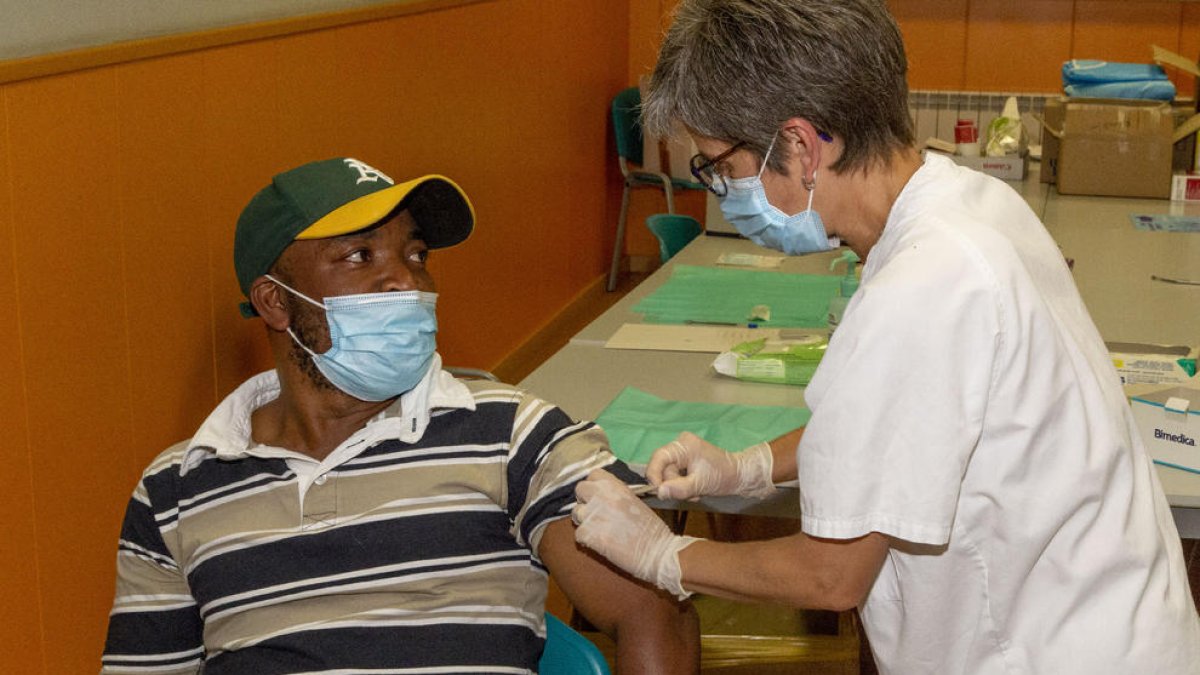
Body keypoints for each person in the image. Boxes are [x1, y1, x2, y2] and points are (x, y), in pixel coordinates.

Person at [570, 1, 1200, 673]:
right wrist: (750, 464)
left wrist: (661, 555)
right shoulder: (963, 201)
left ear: (802, 147)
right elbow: (898, 429)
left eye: (719, 167)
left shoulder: (925, 285)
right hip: (1110, 622)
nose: (721, 190)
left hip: (1050, 650)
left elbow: (829, 576)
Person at [101, 157, 698, 674]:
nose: (404, 280)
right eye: (360, 256)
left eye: (414, 254)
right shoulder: (176, 489)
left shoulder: (513, 435)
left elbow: (653, 609)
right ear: (275, 301)